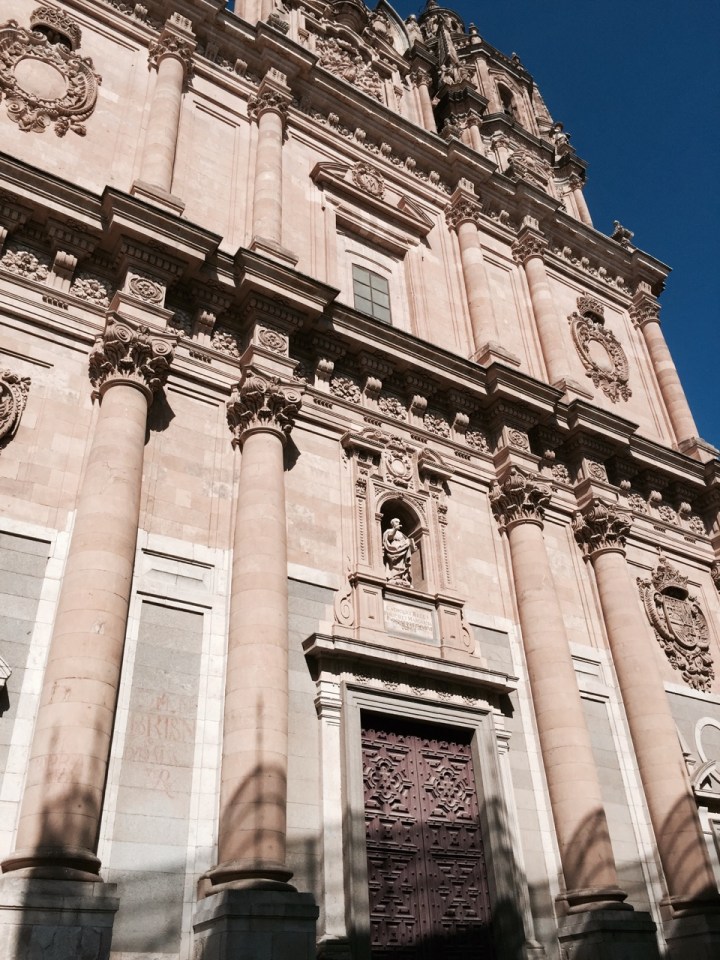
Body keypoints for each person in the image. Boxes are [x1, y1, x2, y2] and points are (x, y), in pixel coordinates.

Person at [383, 518, 415, 586]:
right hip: (394, 549)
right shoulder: (389, 530)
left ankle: (402, 577)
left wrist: (411, 545)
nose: (398, 523)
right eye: (396, 522)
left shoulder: (401, 533)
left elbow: (406, 540)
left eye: (399, 522)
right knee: (394, 564)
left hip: (402, 550)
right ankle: (393, 577)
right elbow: (389, 537)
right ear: (393, 523)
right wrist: (395, 529)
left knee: (402, 564)